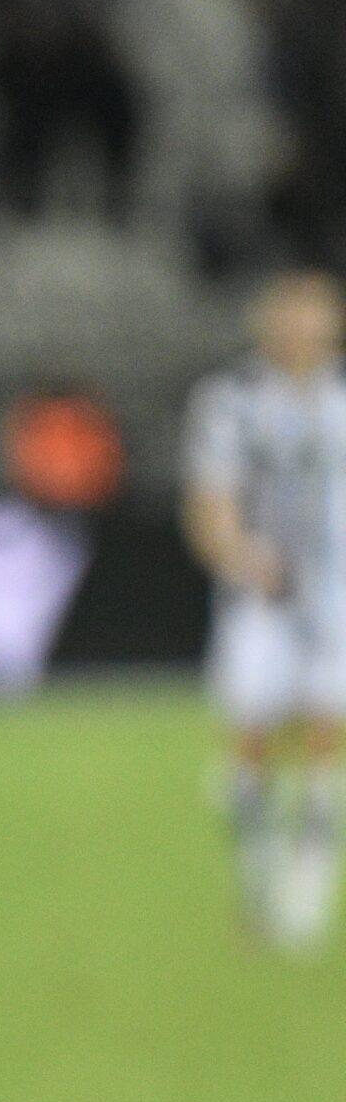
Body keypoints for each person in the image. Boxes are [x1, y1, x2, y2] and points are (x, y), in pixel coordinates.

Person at [183, 270, 346, 950]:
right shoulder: (230, 401)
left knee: (326, 730)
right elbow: (209, 501)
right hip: (261, 595)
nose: (303, 332)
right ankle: (258, 879)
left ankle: (311, 871)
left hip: (336, 594)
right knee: (252, 735)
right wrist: (241, 558)